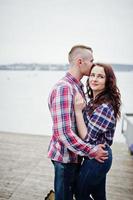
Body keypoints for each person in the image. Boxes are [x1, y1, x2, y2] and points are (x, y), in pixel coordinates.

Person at [47, 45, 108, 200]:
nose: (93, 64)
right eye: (91, 61)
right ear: (80, 61)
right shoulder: (64, 88)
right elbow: (64, 133)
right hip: (65, 159)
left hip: (75, 156)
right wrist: (91, 150)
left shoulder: (77, 86)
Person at [74, 63, 121, 200]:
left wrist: (77, 112)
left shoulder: (104, 107)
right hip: (94, 155)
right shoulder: (94, 102)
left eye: (100, 76)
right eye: (93, 75)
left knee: (80, 194)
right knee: (99, 197)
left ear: (108, 81)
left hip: (98, 158)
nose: (94, 79)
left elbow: (87, 138)